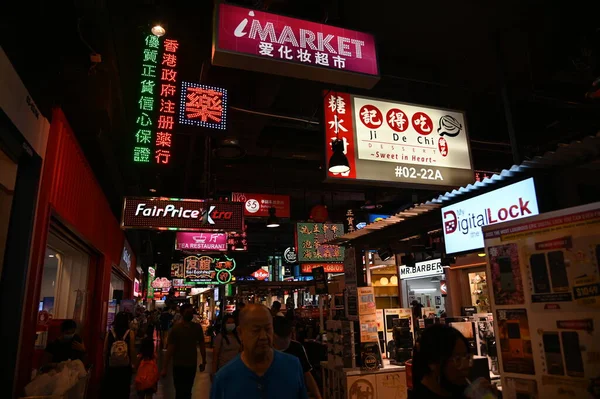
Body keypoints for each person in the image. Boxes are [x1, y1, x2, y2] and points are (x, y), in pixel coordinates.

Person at [210, 304, 308, 399]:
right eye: (255, 330)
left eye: (268, 329)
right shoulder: (224, 378)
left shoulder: (293, 366)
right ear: (240, 332)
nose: (263, 337)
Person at [412, 324, 494, 398]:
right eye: (457, 359)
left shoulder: (459, 391)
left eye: (467, 357)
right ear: (433, 363)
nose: (465, 366)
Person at [161, 303, 207, 399]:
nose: (190, 313)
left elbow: (202, 345)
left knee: (187, 390)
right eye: (188, 312)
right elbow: (170, 349)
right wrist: (164, 367)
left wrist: (204, 360)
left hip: (191, 364)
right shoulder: (176, 329)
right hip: (178, 364)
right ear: (182, 313)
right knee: (180, 390)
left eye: (191, 311)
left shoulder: (197, 327)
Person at [273, 316, 322, 399]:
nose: (285, 342)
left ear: (291, 334)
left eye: (287, 338)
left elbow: (307, 374)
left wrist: (318, 397)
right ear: (272, 335)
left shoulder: (297, 348)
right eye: (280, 339)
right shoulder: (265, 350)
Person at [103, 311, 136, 399]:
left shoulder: (110, 332)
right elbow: (132, 349)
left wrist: (105, 363)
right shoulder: (130, 333)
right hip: (125, 366)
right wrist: (133, 363)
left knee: (112, 389)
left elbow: (105, 350)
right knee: (124, 388)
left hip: (111, 366)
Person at [211, 314, 241, 381]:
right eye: (228, 323)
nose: (231, 324)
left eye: (232, 322)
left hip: (236, 370)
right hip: (223, 369)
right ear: (224, 324)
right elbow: (215, 356)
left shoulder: (238, 337)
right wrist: (213, 373)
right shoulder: (220, 337)